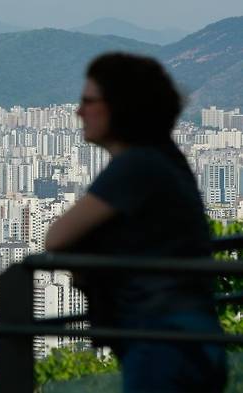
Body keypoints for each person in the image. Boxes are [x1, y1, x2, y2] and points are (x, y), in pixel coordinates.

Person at [45, 53, 228, 392]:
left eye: (88, 101)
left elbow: (57, 237)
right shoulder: (165, 157)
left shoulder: (137, 165)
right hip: (191, 337)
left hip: (162, 342)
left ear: (120, 107)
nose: (79, 111)